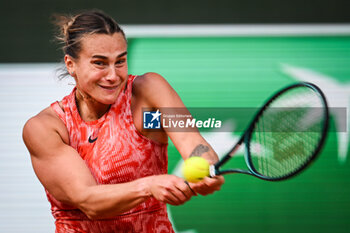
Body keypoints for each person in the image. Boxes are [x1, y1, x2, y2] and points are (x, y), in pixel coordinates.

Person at [22, 10, 224, 233]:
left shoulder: (148, 94)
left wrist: (205, 165)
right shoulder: (46, 128)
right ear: (71, 65)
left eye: (120, 61)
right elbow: (88, 200)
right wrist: (148, 186)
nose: (113, 75)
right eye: (100, 63)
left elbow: (191, 141)